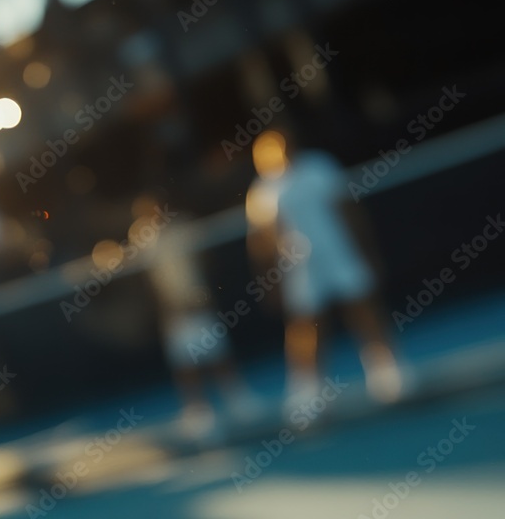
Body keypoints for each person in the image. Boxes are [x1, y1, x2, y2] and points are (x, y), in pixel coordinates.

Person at [245, 130, 407, 408]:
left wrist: (367, 251)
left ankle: (386, 371)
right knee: (306, 325)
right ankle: (306, 391)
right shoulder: (261, 191)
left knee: (363, 309)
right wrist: (268, 281)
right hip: (299, 269)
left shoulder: (320, 167)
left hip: (338, 254)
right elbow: (260, 243)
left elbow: (350, 211)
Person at [146, 209, 264, 440]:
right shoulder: (144, 241)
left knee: (218, 354)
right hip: (175, 315)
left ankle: (238, 401)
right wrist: (167, 311)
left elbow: (204, 261)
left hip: (199, 306)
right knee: (185, 365)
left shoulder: (185, 229)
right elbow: (151, 283)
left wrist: (203, 298)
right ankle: (198, 413)